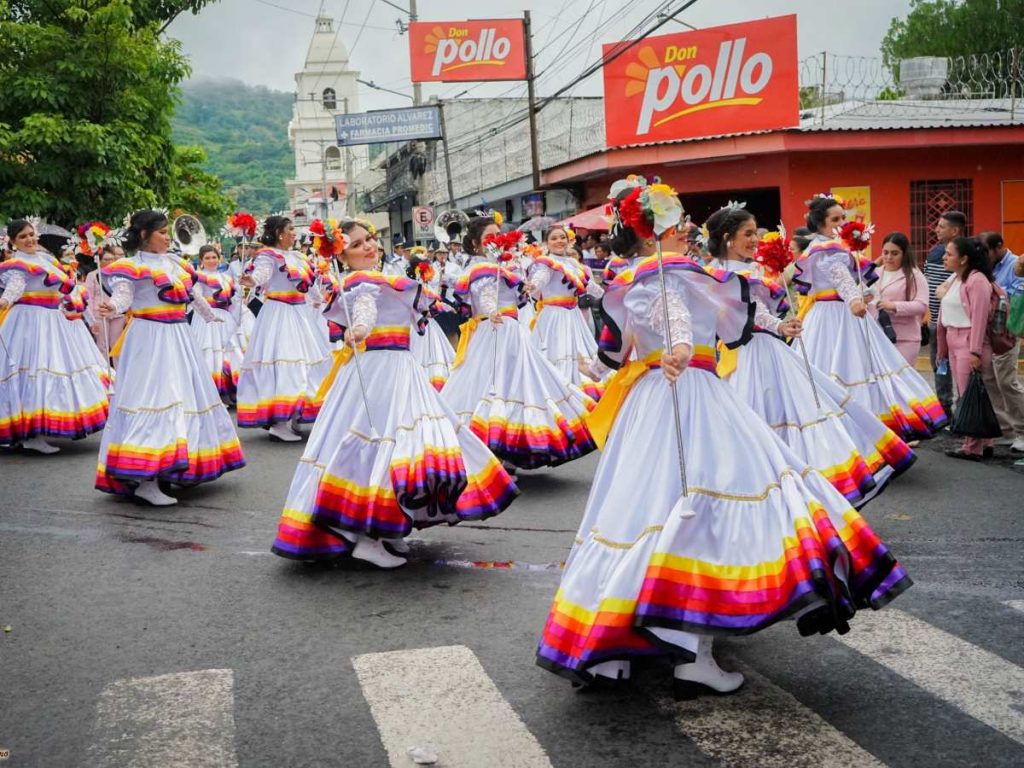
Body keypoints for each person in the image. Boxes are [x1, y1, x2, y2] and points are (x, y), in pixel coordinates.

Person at [537, 179, 912, 694]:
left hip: (655, 400)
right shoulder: (666, 273)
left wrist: (762, 329)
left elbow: (629, 345)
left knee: (637, 513)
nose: (687, 225)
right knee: (707, 511)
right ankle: (691, 654)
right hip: (689, 395)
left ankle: (612, 650)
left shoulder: (635, 278)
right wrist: (682, 348)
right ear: (654, 231)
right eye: (676, 219)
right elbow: (673, 317)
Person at [270, 220, 519, 568]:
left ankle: (387, 529)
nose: (368, 246)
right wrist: (358, 329)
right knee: (380, 446)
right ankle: (366, 536)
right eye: (357, 245)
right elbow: (365, 310)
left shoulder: (385, 277)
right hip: (378, 373)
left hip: (401, 369)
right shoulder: (362, 283)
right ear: (342, 255)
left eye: (369, 239)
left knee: (409, 445)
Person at [709, 205, 914, 507]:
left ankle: (800, 491)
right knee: (762, 422)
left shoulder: (748, 269)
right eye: (748, 234)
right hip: (746, 356)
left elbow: (758, 311)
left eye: (755, 233)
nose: (755, 240)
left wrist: (780, 324)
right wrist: (777, 324)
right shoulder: (721, 274)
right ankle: (769, 494)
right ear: (727, 238)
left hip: (766, 350)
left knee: (800, 412)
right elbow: (740, 315)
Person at [94, 210, 244, 505]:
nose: (167, 236)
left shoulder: (175, 262)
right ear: (143, 235)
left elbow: (192, 293)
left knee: (184, 397)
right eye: (161, 232)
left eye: (166, 231)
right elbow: (123, 298)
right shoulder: (129, 267)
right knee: (154, 399)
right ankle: (145, 477)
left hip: (178, 336)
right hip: (149, 337)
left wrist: (209, 315)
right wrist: (111, 307)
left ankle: (176, 466)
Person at [440, 215, 596, 471]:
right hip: (492, 332)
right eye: (489, 237)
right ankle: (490, 451)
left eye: (498, 235)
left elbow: (521, 293)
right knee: (492, 386)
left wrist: (523, 287)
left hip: (512, 332)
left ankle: (511, 449)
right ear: (477, 244)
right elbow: (485, 293)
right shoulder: (481, 269)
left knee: (521, 386)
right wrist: (492, 311)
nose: (496, 241)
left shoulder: (504, 266)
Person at [797, 196, 946, 440]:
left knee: (862, 370)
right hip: (834, 316)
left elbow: (855, 279)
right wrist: (854, 299)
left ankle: (861, 434)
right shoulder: (826, 248)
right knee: (842, 371)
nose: (841, 223)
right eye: (834, 219)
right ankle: (843, 435)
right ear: (819, 223)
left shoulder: (836, 246)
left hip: (842, 313)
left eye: (842, 218)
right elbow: (839, 277)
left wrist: (863, 294)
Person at [0, 219, 109, 453]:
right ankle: (30, 434)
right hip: (29, 322)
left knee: (53, 369)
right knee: (32, 372)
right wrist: (5, 301)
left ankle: (35, 430)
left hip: (52, 319)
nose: (29, 239)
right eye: (23, 237)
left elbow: (65, 290)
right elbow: (15, 287)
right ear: (13, 241)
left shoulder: (46, 260)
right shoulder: (17, 264)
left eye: (31, 234)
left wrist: (81, 311)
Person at [236, 216, 332, 442]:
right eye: (290, 229)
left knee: (307, 361)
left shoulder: (298, 256)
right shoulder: (268, 256)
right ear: (279, 233)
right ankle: (280, 421)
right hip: (279, 313)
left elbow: (309, 285)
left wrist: (320, 301)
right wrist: (250, 280)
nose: (294, 233)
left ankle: (296, 413)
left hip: (299, 312)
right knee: (286, 362)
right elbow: (261, 277)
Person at [936, 236, 1002, 460]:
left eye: (949, 254)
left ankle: (972, 446)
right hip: (954, 338)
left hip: (969, 342)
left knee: (967, 393)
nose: (944, 257)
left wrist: (974, 351)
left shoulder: (977, 280)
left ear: (964, 259)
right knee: (970, 392)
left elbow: (980, 318)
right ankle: (985, 441)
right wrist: (942, 348)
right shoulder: (956, 278)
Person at [527, 226, 605, 400]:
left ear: (568, 240)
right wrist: (532, 286)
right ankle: (562, 393)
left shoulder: (574, 264)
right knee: (556, 355)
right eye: (554, 238)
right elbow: (541, 278)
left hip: (573, 315)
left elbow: (590, 286)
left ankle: (578, 389)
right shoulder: (546, 263)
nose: (559, 241)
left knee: (579, 352)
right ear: (547, 243)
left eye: (562, 237)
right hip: (554, 316)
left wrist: (610, 295)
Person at [979, 232, 1024, 453]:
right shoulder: (988, 267)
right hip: (989, 332)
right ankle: (1006, 429)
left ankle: (1023, 430)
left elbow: (1018, 293)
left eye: (987, 251)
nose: (984, 256)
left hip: (1007, 332)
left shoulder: (1017, 264)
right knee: (991, 380)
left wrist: (995, 292)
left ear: (999, 247)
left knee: (1007, 382)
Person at [191, 244, 244, 404]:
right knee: (210, 353)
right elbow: (196, 297)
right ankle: (214, 393)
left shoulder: (226, 278)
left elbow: (233, 300)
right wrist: (209, 313)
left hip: (225, 318)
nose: (211, 260)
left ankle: (231, 389)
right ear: (201, 261)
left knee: (230, 352)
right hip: (206, 319)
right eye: (207, 258)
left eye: (214, 257)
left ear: (219, 258)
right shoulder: (198, 277)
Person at [926, 211, 966, 418]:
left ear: (955, 230)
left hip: (958, 326)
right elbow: (928, 282)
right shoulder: (934, 253)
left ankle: (963, 412)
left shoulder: (968, 253)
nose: (936, 230)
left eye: (941, 227)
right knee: (939, 367)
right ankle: (944, 411)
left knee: (963, 372)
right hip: (935, 322)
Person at [870, 232, 929, 366]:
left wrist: (894, 305)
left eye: (895, 253)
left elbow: (921, 306)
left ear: (904, 254)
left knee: (901, 381)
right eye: (885, 252)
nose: (889, 257)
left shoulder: (914, 275)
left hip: (904, 338)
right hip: (877, 336)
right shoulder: (875, 273)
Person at [85, 244, 128, 364]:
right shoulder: (92, 275)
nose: (109, 262)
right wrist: (92, 319)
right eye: (106, 259)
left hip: (117, 314)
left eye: (112, 259)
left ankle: (119, 373)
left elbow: (125, 294)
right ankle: (104, 373)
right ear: (99, 260)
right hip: (100, 314)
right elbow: (89, 298)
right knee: (102, 345)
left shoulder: (120, 275)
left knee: (117, 345)